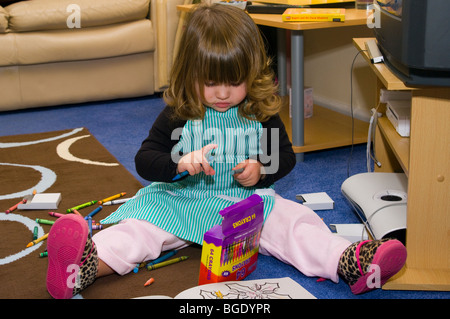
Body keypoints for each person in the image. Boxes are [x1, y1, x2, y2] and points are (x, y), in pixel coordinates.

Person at [46, 4, 406, 299]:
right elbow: (145, 159)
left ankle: (347, 260)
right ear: (190, 75)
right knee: (140, 231)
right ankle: (84, 266)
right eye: (210, 82)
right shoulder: (180, 113)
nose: (222, 93)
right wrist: (179, 162)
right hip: (183, 202)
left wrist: (261, 169)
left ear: (252, 73)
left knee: (293, 222)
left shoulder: (260, 113)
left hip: (246, 207)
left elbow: (284, 156)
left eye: (234, 82)